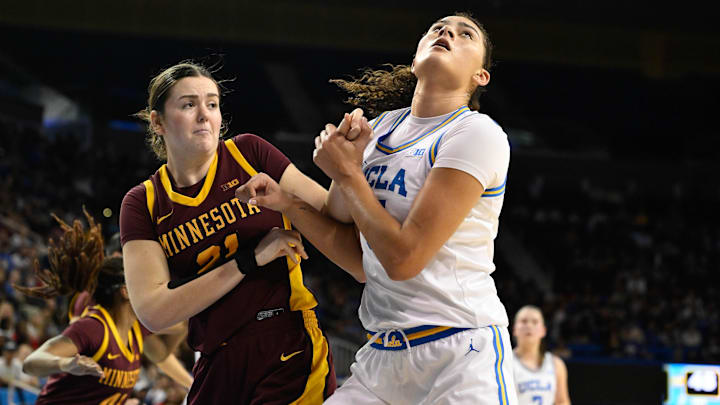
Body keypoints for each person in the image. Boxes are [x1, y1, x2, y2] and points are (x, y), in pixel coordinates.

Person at [236, 12, 517, 404]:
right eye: (437, 28)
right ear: (415, 58)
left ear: (480, 77)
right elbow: (358, 258)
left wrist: (349, 174)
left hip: (460, 355)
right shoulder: (380, 129)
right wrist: (289, 203)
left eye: (464, 34)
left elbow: (404, 259)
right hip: (382, 359)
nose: (447, 33)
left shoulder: (476, 133)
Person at [119, 61, 336, 404]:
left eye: (212, 104)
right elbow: (154, 312)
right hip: (215, 356)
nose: (204, 115)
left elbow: (331, 212)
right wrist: (250, 260)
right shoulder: (142, 202)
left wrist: (345, 171)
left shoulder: (249, 152)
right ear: (157, 121)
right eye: (189, 104)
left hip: (283, 337)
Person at [17, 210, 193, 404]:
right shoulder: (94, 324)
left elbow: (161, 351)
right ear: (125, 290)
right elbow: (31, 363)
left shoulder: (135, 326)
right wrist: (65, 363)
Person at [512, 306, 571, 405]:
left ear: (543, 330)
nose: (529, 326)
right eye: (524, 321)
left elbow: (562, 401)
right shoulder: (505, 363)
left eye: (535, 322)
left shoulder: (556, 364)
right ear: (514, 329)